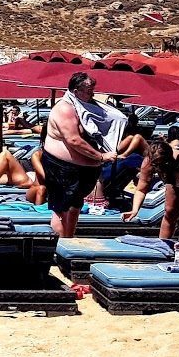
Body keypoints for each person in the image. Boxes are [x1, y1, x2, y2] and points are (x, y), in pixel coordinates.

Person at [41, 72, 119, 238]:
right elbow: (74, 140)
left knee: (75, 206)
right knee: (61, 209)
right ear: (76, 91)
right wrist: (101, 157)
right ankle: (60, 246)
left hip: (82, 170)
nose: (93, 94)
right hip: (62, 168)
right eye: (89, 90)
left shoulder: (85, 107)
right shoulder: (64, 109)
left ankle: (69, 239)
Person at [128, 137, 179, 241]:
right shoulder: (149, 162)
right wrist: (135, 210)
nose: (158, 168)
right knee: (170, 213)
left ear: (168, 158)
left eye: (161, 164)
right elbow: (141, 189)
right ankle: (162, 243)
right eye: (156, 165)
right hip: (174, 175)